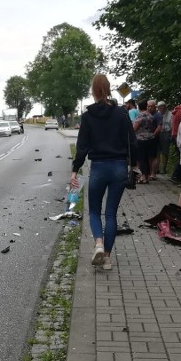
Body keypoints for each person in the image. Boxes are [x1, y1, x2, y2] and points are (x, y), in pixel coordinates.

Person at [70, 74, 138, 269]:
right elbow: (132, 141)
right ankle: (107, 257)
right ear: (108, 89)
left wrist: (75, 169)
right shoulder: (121, 113)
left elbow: (82, 146)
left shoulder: (88, 116)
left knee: (93, 211)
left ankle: (98, 243)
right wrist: (134, 165)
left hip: (98, 167)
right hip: (118, 168)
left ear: (93, 91)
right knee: (110, 214)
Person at [133, 100, 156, 183]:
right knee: (147, 158)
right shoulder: (151, 116)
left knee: (141, 158)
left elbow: (134, 128)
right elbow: (153, 127)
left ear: (138, 107)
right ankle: (147, 175)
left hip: (141, 139)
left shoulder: (140, 116)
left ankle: (143, 177)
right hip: (150, 139)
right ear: (146, 106)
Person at [156, 102, 172, 174]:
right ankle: (157, 168)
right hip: (159, 133)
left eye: (162, 106)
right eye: (159, 107)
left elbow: (172, 126)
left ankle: (164, 168)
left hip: (166, 133)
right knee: (157, 152)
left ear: (165, 107)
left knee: (165, 152)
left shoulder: (170, 114)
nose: (161, 108)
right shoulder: (158, 114)